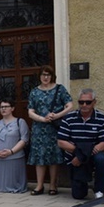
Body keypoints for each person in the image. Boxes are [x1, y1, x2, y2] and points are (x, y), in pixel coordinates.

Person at [27, 65, 73, 195]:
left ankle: (53, 185)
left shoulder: (60, 89)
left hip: (55, 128)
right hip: (39, 129)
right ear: (39, 76)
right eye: (43, 75)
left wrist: (57, 115)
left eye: (48, 74)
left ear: (52, 76)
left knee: (54, 156)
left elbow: (70, 105)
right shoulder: (34, 92)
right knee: (39, 157)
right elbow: (30, 111)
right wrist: (42, 119)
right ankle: (39, 185)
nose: (45, 77)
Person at [57, 88, 104, 200]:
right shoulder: (68, 118)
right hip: (74, 155)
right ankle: (82, 186)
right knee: (78, 196)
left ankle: (99, 190)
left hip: (93, 155)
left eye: (88, 102)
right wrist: (79, 154)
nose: (84, 105)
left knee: (102, 159)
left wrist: (82, 155)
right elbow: (61, 142)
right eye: (81, 102)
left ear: (94, 102)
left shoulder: (102, 119)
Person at [0, 99, 29, 193]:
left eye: (6, 106)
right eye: (1, 107)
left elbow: (24, 139)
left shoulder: (20, 122)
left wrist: (11, 151)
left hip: (15, 157)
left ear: (12, 108)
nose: (3, 109)